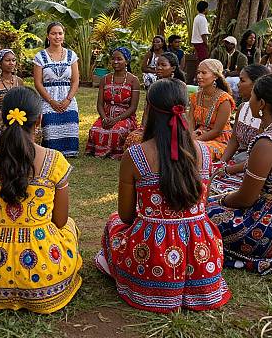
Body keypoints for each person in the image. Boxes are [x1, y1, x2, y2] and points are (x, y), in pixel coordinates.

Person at [95, 78, 230, 313]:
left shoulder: (135, 156)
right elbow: (203, 205)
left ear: (149, 109)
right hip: (202, 255)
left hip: (150, 257)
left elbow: (126, 216)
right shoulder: (205, 153)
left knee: (113, 222)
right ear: (185, 108)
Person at [0, 87, 82, 313]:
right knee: (70, 226)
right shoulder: (54, 160)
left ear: (4, 117)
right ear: (39, 120)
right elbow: (59, 222)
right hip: (46, 276)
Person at [208, 75, 272, 275]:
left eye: (252, 96)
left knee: (203, 217)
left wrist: (219, 200)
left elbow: (246, 198)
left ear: (261, 103)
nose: (249, 101)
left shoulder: (267, 142)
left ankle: (261, 261)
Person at [211, 64, 270, 195]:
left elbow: (256, 160)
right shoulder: (243, 108)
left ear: (256, 85)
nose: (238, 84)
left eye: (242, 80)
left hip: (255, 168)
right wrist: (221, 163)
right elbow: (234, 141)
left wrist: (228, 169)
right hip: (238, 161)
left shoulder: (268, 116)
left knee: (216, 192)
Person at [33, 22, 80, 157]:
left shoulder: (71, 55)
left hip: (68, 99)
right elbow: (37, 83)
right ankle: (52, 153)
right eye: (53, 33)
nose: (57, 36)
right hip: (48, 100)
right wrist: (51, 101)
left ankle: (70, 152)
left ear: (63, 36)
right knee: (50, 128)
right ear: (48, 36)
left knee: (70, 125)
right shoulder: (40, 56)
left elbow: (75, 80)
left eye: (60, 33)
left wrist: (68, 99)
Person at [123, 52, 185, 150]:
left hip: (171, 127)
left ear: (173, 68)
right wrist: (143, 127)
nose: (159, 68)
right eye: (157, 65)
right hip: (153, 125)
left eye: (163, 65)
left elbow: (181, 112)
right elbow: (147, 109)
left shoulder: (180, 86)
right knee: (133, 138)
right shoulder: (153, 86)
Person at [86, 47, 140, 159]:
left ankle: (115, 153)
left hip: (125, 117)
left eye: (119, 59)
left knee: (116, 131)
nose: (115, 62)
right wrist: (104, 118)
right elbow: (100, 104)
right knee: (95, 130)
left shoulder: (133, 80)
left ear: (127, 61)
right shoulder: (105, 79)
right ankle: (100, 151)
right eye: (113, 59)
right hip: (106, 116)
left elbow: (133, 107)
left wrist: (116, 120)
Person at [188, 59, 235, 161]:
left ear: (215, 76)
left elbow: (217, 131)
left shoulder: (224, 100)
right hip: (197, 135)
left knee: (194, 150)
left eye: (204, 73)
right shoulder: (195, 97)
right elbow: (190, 121)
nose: (199, 76)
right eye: (198, 72)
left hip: (219, 141)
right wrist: (190, 136)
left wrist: (193, 141)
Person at [0, 48, 24, 130]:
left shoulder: (19, 81)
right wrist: (9, 120)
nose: (11, 63)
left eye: (13, 60)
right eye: (7, 60)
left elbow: (23, 105)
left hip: (18, 119)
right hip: (0, 119)